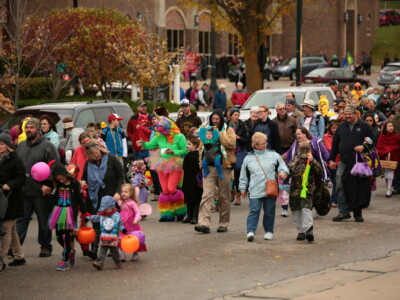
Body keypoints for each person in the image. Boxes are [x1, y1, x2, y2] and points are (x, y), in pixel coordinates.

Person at [16, 118, 60, 258]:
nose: (28, 130)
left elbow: (55, 165)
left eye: (31, 127)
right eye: (26, 127)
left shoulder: (47, 146)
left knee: (43, 219)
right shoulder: (21, 145)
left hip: (41, 190)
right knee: (21, 220)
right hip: (24, 189)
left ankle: (46, 246)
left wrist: (48, 184)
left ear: (37, 129)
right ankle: (16, 247)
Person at [239, 132, 289, 242]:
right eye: (262, 144)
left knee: (269, 211)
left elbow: (283, 166)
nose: (265, 145)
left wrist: (283, 173)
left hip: (270, 189)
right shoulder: (248, 158)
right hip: (254, 189)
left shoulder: (273, 154)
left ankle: (269, 231)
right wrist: (242, 188)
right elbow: (243, 174)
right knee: (254, 210)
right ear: (255, 145)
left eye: (265, 142)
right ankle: (250, 231)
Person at [329, 107, 376, 222]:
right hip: (343, 162)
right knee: (339, 185)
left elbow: (372, 141)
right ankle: (343, 212)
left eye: (350, 114)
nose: (347, 116)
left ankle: (357, 213)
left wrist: (363, 147)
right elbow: (335, 144)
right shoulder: (341, 127)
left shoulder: (364, 126)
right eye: (346, 114)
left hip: (358, 163)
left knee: (357, 188)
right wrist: (331, 159)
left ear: (356, 114)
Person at [137, 117, 187, 222]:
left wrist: (173, 151)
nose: (162, 134)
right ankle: (167, 214)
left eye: (164, 132)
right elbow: (150, 145)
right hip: (161, 164)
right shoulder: (158, 136)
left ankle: (179, 211)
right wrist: (143, 144)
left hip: (175, 164)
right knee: (164, 190)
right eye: (160, 131)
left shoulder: (179, 136)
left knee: (172, 188)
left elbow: (185, 150)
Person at [194, 109, 236, 234]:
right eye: (213, 119)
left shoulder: (228, 130)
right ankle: (203, 223)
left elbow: (231, 144)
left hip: (224, 167)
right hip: (209, 168)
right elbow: (201, 148)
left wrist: (219, 134)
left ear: (221, 119)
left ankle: (223, 223)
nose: (215, 121)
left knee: (224, 196)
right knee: (206, 195)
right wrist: (202, 164)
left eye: (217, 119)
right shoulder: (207, 130)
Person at [81, 141, 124, 260]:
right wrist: (83, 180)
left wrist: (118, 192)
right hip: (94, 197)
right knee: (96, 222)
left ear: (100, 149)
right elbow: (84, 176)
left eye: (97, 152)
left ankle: (114, 247)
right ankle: (94, 250)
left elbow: (121, 177)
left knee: (111, 224)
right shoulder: (88, 163)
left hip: (110, 197)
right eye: (93, 154)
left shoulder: (112, 159)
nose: (96, 155)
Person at [48, 163, 87, 271]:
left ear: (65, 175)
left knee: (66, 236)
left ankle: (64, 261)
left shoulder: (74, 184)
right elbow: (43, 182)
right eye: (58, 179)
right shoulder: (55, 184)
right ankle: (71, 250)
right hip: (58, 212)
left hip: (70, 213)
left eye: (62, 178)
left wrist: (85, 213)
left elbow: (79, 199)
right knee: (58, 237)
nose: (60, 181)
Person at [0, 132, 26, 270]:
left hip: (12, 199)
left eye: (2, 144)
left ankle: (2, 257)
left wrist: (10, 184)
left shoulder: (15, 160)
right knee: (12, 229)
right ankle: (19, 255)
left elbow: (22, 178)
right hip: (1, 198)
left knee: (5, 228)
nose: (0, 146)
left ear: (8, 146)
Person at [287, 142, 322, 242]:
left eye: (306, 149)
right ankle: (301, 231)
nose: (304, 152)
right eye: (302, 149)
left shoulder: (311, 160)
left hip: (307, 190)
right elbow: (288, 171)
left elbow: (320, 171)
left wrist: (313, 161)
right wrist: (282, 175)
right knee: (295, 210)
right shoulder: (295, 160)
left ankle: (309, 230)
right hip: (295, 190)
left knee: (306, 209)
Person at [85, 196, 126, 270]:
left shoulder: (116, 215)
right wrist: (88, 218)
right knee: (102, 252)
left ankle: (118, 262)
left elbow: (120, 224)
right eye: (104, 209)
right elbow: (95, 217)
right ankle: (99, 263)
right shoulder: (102, 214)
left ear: (112, 207)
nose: (106, 210)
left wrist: (123, 229)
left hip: (113, 238)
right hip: (104, 238)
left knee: (114, 253)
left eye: (107, 209)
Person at [117, 183, 147, 262]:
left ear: (131, 193)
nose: (123, 193)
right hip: (123, 223)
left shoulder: (133, 203)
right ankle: (122, 254)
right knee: (122, 237)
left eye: (126, 192)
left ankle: (135, 253)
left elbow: (137, 212)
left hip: (132, 224)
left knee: (134, 238)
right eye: (122, 192)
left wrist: (136, 219)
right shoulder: (120, 202)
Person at [182, 136, 203, 224]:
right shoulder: (188, 155)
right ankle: (189, 215)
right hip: (187, 179)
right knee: (188, 198)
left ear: (195, 145)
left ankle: (195, 216)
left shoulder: (197, 155)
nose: (187, 146)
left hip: (196, 180)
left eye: (189, 144)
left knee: (196, 198)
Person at [376, 122, 400, 198]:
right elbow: (379, 146)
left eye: (392, 126)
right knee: (386, 174)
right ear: (385, 128)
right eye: (389, 126)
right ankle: (389, 188)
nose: (391, 127)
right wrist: (386, 150)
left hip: (393, 157)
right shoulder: (382, 137)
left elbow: (398, 146)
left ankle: (389, 189)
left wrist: (391, 149)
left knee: (391, 173)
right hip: (384, 157)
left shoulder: (396, 137)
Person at [324, 121, 340, 207]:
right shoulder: (326, 136)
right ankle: (333, 200)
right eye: (333, 128)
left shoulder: (341, 136)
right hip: (331, 162)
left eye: (336, 128)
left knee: (338, 182)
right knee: (336, 182)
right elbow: (330, 148)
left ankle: (335, 199)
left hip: (340, 161)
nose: (335, 129)